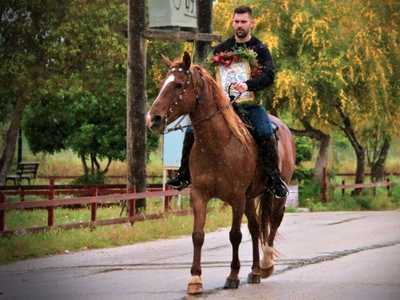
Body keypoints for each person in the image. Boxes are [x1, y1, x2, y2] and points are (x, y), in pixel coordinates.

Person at [167, 5, 289, 198]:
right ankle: (184, 174)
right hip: (223, 107)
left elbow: (269, 76)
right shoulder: (221, 49)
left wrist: (248, 85)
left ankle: (274, 179)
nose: (239, 25)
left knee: (266, 131)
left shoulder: (260, 49)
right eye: (237, 21)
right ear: (232, 22)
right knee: (191, 130)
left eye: (243, 22)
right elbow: (207, 76)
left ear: (251, 23)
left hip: (250, 105)